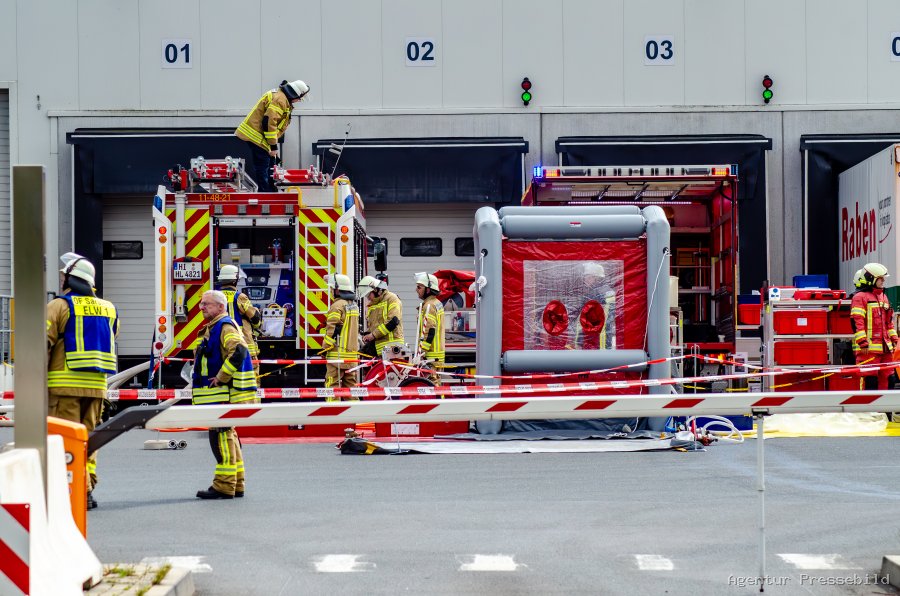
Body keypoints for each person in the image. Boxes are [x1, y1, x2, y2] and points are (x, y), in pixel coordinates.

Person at [46, 253, 119, 510]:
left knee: (67, 441)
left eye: (64, 276)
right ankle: (88, 486)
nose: (61, 280)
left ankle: (79, 491)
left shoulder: (58, 306)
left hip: (64, 387)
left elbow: (43, 344)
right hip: (97, 388)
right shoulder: (109, 308)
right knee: (88, 440)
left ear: (71, 279)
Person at [192, 290, 258, 500]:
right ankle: (236, 483)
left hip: (224, 394)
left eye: (207, 304)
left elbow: (239, 351)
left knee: (221, 437)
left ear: (221, 307)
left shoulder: (224, 326)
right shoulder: (216, 326)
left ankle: (224, 485)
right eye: (201, 304)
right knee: (228, 435)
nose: (202, 307)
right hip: (223, 394)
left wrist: (221, 377)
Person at [235, 79, 310, 192]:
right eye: (299, 98)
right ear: (294, 94)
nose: (299, 101)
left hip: (262, 136)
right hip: (257, 136)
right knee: (263, 165)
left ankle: (271, 190)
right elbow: (268, 122)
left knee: (271, 163)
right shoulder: (280, 100)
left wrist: (272, 146)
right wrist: (273, 146)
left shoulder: (281, 97)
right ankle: (265, 193)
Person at [850, 262, 899, 390]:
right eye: (880, 278)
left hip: (886, 348)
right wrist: (862, 342)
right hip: (868, 349)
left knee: (889, 379)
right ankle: (869, 403)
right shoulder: (860, 297)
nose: (883, 281)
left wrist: (895, 340)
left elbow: (889, 323)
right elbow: (857, 321)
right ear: (871, 279)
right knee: (870, 380)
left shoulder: (883, 297)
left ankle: (886, 403)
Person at [216, 264, 262, 381]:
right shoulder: (240, 297)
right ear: (235, 280)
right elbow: (255, 319)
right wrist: (257, 317)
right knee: (249, 375)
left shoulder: (214, 297)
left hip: (220, 341)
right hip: (243, 342)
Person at [320, 274, 360, 395]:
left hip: (336, 357)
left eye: (332, 288)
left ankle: (333, 407)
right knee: (351, 389)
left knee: (332, 387)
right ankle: (354, 407)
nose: (331, 291)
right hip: (351, 357)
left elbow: (332, 331)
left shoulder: (336, 306)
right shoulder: (354, 306)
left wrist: (324, 349)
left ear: (338, 289)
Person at [357, 275, 404, 357]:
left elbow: (393, 321)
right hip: (379, 349)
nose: (368, 298)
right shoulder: (373, 304)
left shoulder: (392, 299)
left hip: (393, 348)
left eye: (368, 295)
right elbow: (375, 325)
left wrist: (373, 335)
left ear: (375, 290)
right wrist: (367, 334)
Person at [414, 272, 445, 385]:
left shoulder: (429, 306)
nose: (416, 290)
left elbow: (429, 331)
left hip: (430, 356)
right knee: (435, 385)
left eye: (419, 287)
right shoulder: (436, 303)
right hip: (436, 354)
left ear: (428, 289)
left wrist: (422, 352)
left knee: (432, 386)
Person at [578, 262, 616, 349]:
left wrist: (580, 341)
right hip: (606, 340)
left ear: (595, 278)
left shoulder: (593, 295)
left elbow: (585, 321)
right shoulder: (609, 291)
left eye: (587, 276)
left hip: (594, 341)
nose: (585, 279)